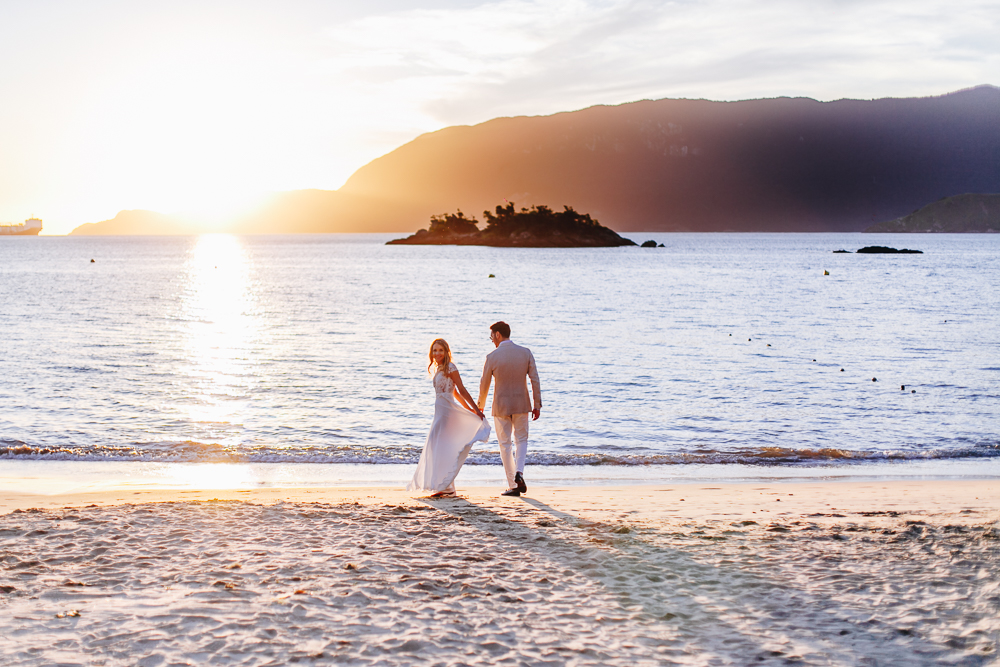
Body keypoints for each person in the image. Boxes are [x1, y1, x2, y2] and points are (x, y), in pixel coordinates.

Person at [407, 338, 490, 498]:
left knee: (439, 446)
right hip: (439, 412)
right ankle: (447, 486)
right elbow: (456, 394)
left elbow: (461, 391)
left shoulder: (450, 368)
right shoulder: (438, 369)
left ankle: (447, 487)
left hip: (447, 413)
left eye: (440, 350)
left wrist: (474, 411)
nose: (437, 353)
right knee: (438, 447)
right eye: (434, 350)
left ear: (446, 352)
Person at [477, 321, 541, 497]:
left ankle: (513, 484)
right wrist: (537, 404)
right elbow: (535, 380)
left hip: (501, 406)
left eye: (491, 336)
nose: (491, 340)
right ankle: (519, 472)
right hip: (522, 405)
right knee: (521, 440)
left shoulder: (492, 357)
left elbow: (484, 385)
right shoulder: (525, 353)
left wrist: (480, 406)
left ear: (498, 335)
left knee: (505, 445)